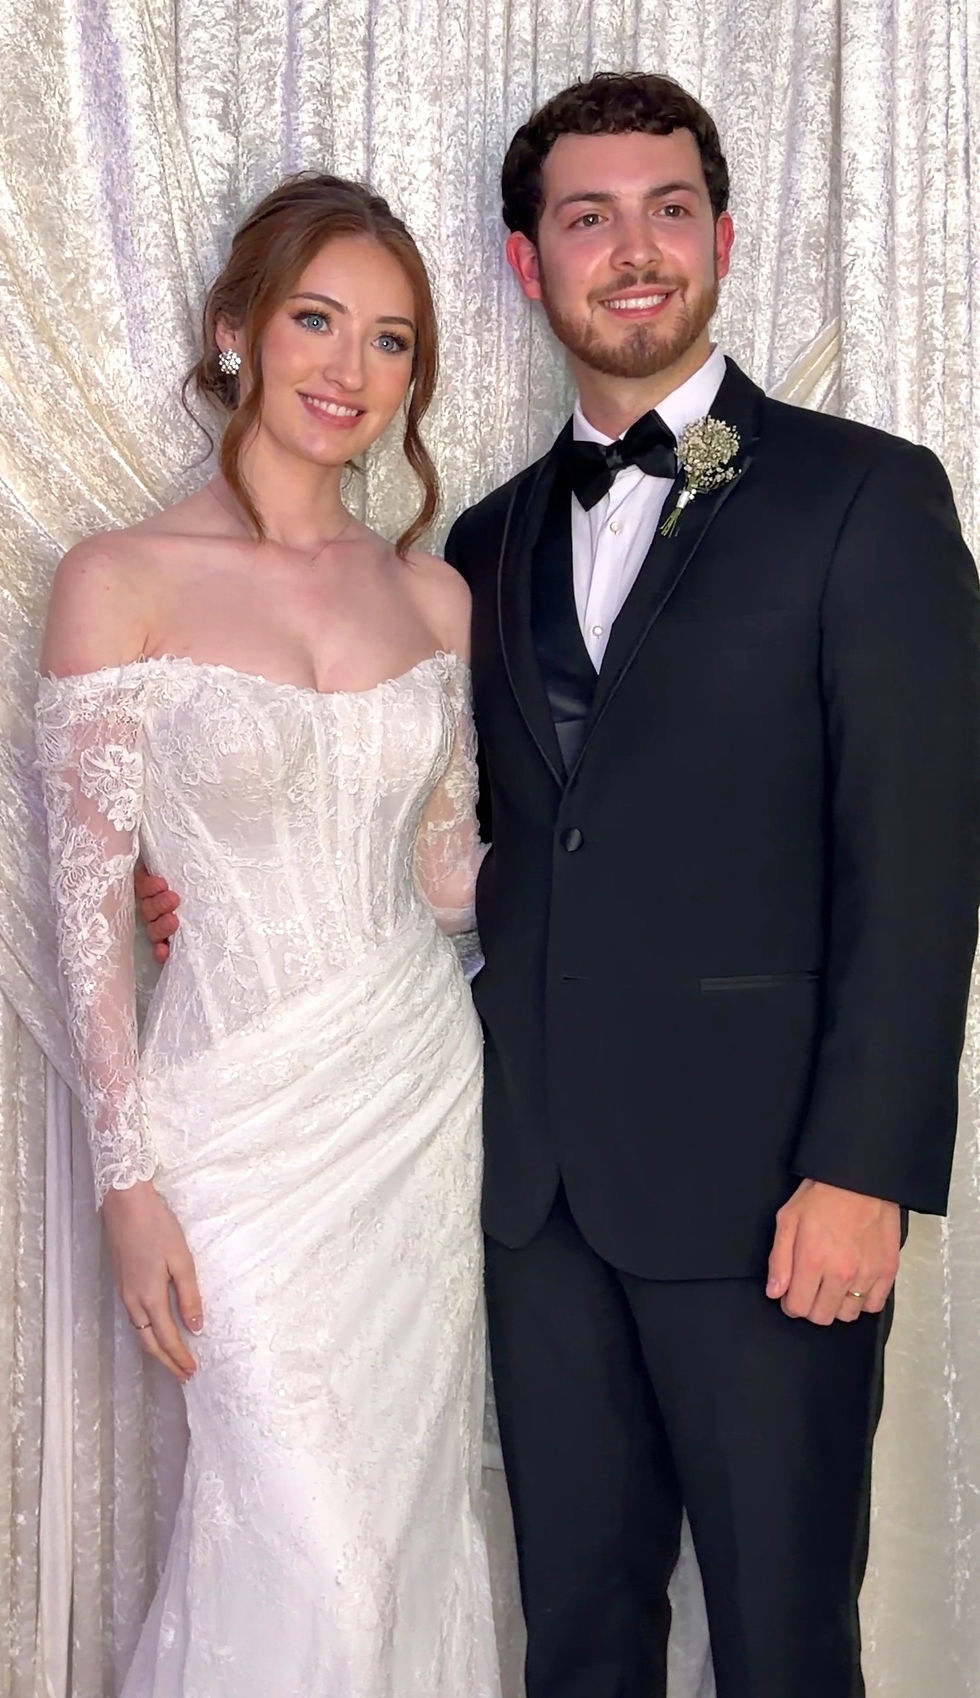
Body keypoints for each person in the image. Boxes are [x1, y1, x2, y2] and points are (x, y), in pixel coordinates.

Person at [139, 74, 980, 1698]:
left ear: (722, 238)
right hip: (523, 1198)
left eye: (669, 209)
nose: (635, 249)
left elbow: (924, 856)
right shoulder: (478, 548)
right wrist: (219, 877)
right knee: (576, 1639)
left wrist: (863, 1168)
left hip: (773, 1200)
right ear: (531, 266)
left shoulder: (866, 497)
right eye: (587, 218)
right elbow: (458, 849)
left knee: (783, 1641)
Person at [36, 173, 499, 1698]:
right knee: (311, 1544)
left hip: (418, 1100)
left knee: (408, 1529)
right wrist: (127, 1187)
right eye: (315, 320)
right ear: (234, 332)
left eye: (388, 342)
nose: (346, 370)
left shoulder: (434, 600)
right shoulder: (120, 582)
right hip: (234, 1132)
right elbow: (90, 917)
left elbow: (450, 883)